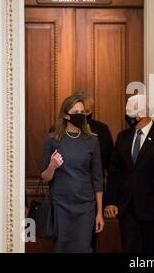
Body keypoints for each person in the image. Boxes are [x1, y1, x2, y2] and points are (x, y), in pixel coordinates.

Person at [104, 95, 154, 253]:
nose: (128, 117)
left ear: (142, 114)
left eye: (131, 113)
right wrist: (110, 201)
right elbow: (115, 171)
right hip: (126, 207)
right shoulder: (123, 137)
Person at [40, 93, 105, 253]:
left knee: (83, 248)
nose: (80, 115)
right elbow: (44, 176)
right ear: (66, 115)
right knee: (61, 247)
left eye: (82, 112)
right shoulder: (52, 139)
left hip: (85, 205)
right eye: (76, 112)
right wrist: (52, 166)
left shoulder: (92, 140)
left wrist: (99, 212)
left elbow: (97, 179)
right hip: (60, 203)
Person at [73, 90, 114, 253]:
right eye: (81, 112)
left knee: (89, 244)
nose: (85, 115)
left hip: (92, 198)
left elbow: (112, 167)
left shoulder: (101, 130)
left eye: (88, 112)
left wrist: (108, 201)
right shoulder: (58, 130)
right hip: (65, 198)